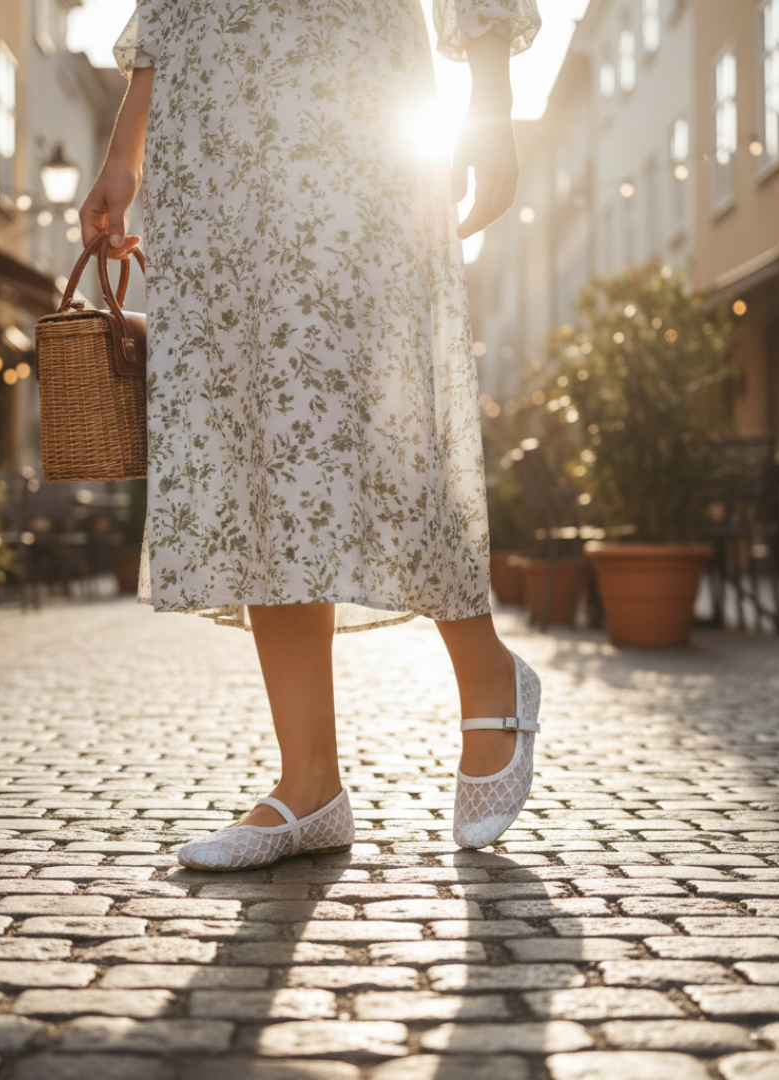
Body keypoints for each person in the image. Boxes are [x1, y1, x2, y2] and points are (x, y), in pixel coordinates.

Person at [80, 0, 543, 871]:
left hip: (354, 97)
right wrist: (124, 150)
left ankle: (486, 671)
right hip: (211, 128)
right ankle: (310, 782)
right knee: (260, 429)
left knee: (387, 410)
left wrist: (490, 104)